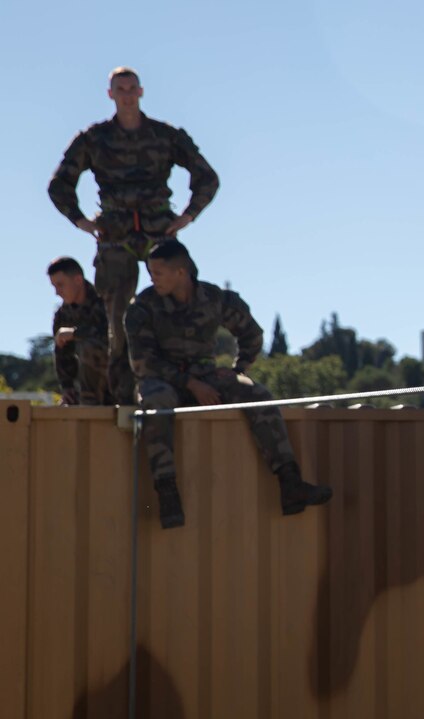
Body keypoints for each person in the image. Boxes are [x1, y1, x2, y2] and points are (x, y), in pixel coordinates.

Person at [124, 240, 332, 529]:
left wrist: (238, 369)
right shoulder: (142, 306)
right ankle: (167, 493)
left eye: (158, 273)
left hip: (207, 377)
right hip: (163, 380)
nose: (152, 279)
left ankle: (291, 484)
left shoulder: (214, 298)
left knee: (257, 393)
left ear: (181, 273)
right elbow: (142, 362)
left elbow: (251, 334)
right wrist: (192, 384)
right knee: (156, 402)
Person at [48, 66, 220, 405]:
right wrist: (81, 220)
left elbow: (207, 177)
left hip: (160, 232)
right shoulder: (94, 139)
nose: (126, 95)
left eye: (131, 88)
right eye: (120, 89)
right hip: (115, 235)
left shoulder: (164, 135)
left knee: (182, 307)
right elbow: (58, 185)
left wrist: (188, 215)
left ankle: (191, 387)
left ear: (140, 92)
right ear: (110, 95)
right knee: (117, 324)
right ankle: (124, 401)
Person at [47, 256, 113, 406]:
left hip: (115, 380)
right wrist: (67, 388)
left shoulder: (106, 302)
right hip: (82, 386)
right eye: (54, 286)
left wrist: (76, 334)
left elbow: (113, 336)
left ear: (78, 280)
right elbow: (61, 353)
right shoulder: (62, 315)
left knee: (88, 346)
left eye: (60, 285)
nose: (57, 292)